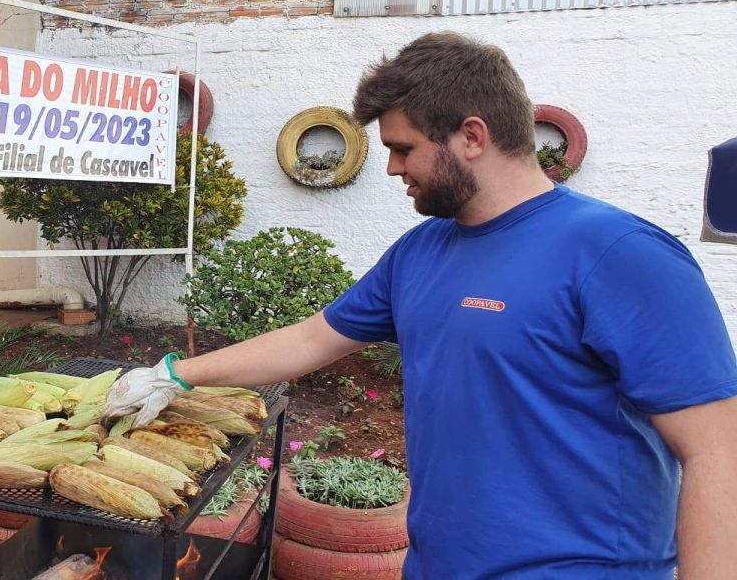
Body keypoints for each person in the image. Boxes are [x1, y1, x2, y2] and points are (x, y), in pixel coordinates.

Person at [104, 32, 737, 579]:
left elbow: (716, 451)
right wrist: (173, 374)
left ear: (471, 136)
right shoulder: (420, 253)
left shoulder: (620, 254)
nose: (390, 169)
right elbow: (310, 340)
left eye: (402, 149)